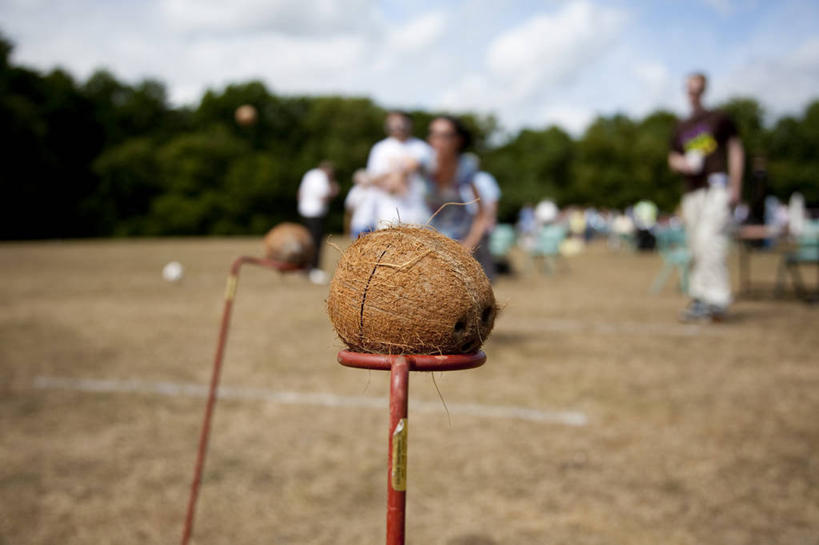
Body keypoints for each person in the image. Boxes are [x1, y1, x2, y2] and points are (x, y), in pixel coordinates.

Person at [669, 72, 744, 321]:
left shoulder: (718, 118)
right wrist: (682, 164)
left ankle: (717, 299)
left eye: (698, 88)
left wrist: (735, 186)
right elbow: (672, 158)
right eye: (689, 88)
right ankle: (700, 298)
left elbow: (735, 149)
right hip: (692, 192)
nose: (693, 93)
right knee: (695, 245)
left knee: (710, 239)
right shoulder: (681, 126)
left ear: (704, 90)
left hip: (716, 187)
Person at [423, 116, 491, 252]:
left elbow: (482, 214)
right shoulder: (422, 164)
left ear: (458, 140)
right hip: (425, 243)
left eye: (445, 136)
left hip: (458, 241)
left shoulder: (466, 167)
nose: (438, 141)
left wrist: (468, 247)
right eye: (434, 134)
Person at [366, 111, 433, 228]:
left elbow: (428, 170)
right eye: (394, 123)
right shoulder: (380, 148)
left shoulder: (421, 147)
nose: (398, 127)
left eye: (402, 123)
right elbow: (372, 177)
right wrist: (391, 180)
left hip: (418, 210)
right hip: (387, 212)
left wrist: (401, 173)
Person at [297, 160, 339, 284]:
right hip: (316, 213)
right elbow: (324, 196)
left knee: (306, 241)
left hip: (304, 211)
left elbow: (299, 193)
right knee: (316, 242)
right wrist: (334, 191)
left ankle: (304, 267)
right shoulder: (322, 178)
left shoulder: (309, 174)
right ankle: (313, 270)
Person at [470, 170, 501, 281]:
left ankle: (488, 279)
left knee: (483, 252)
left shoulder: (485, 178)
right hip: (469, 222)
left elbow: (493, 200)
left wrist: (488, 219)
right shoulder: (461, 177)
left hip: (482, 222)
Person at [344, 169, 376, 238]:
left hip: (372, 224)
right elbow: (349, 207)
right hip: (358, 224)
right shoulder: (355, 191)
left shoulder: (374, 190)